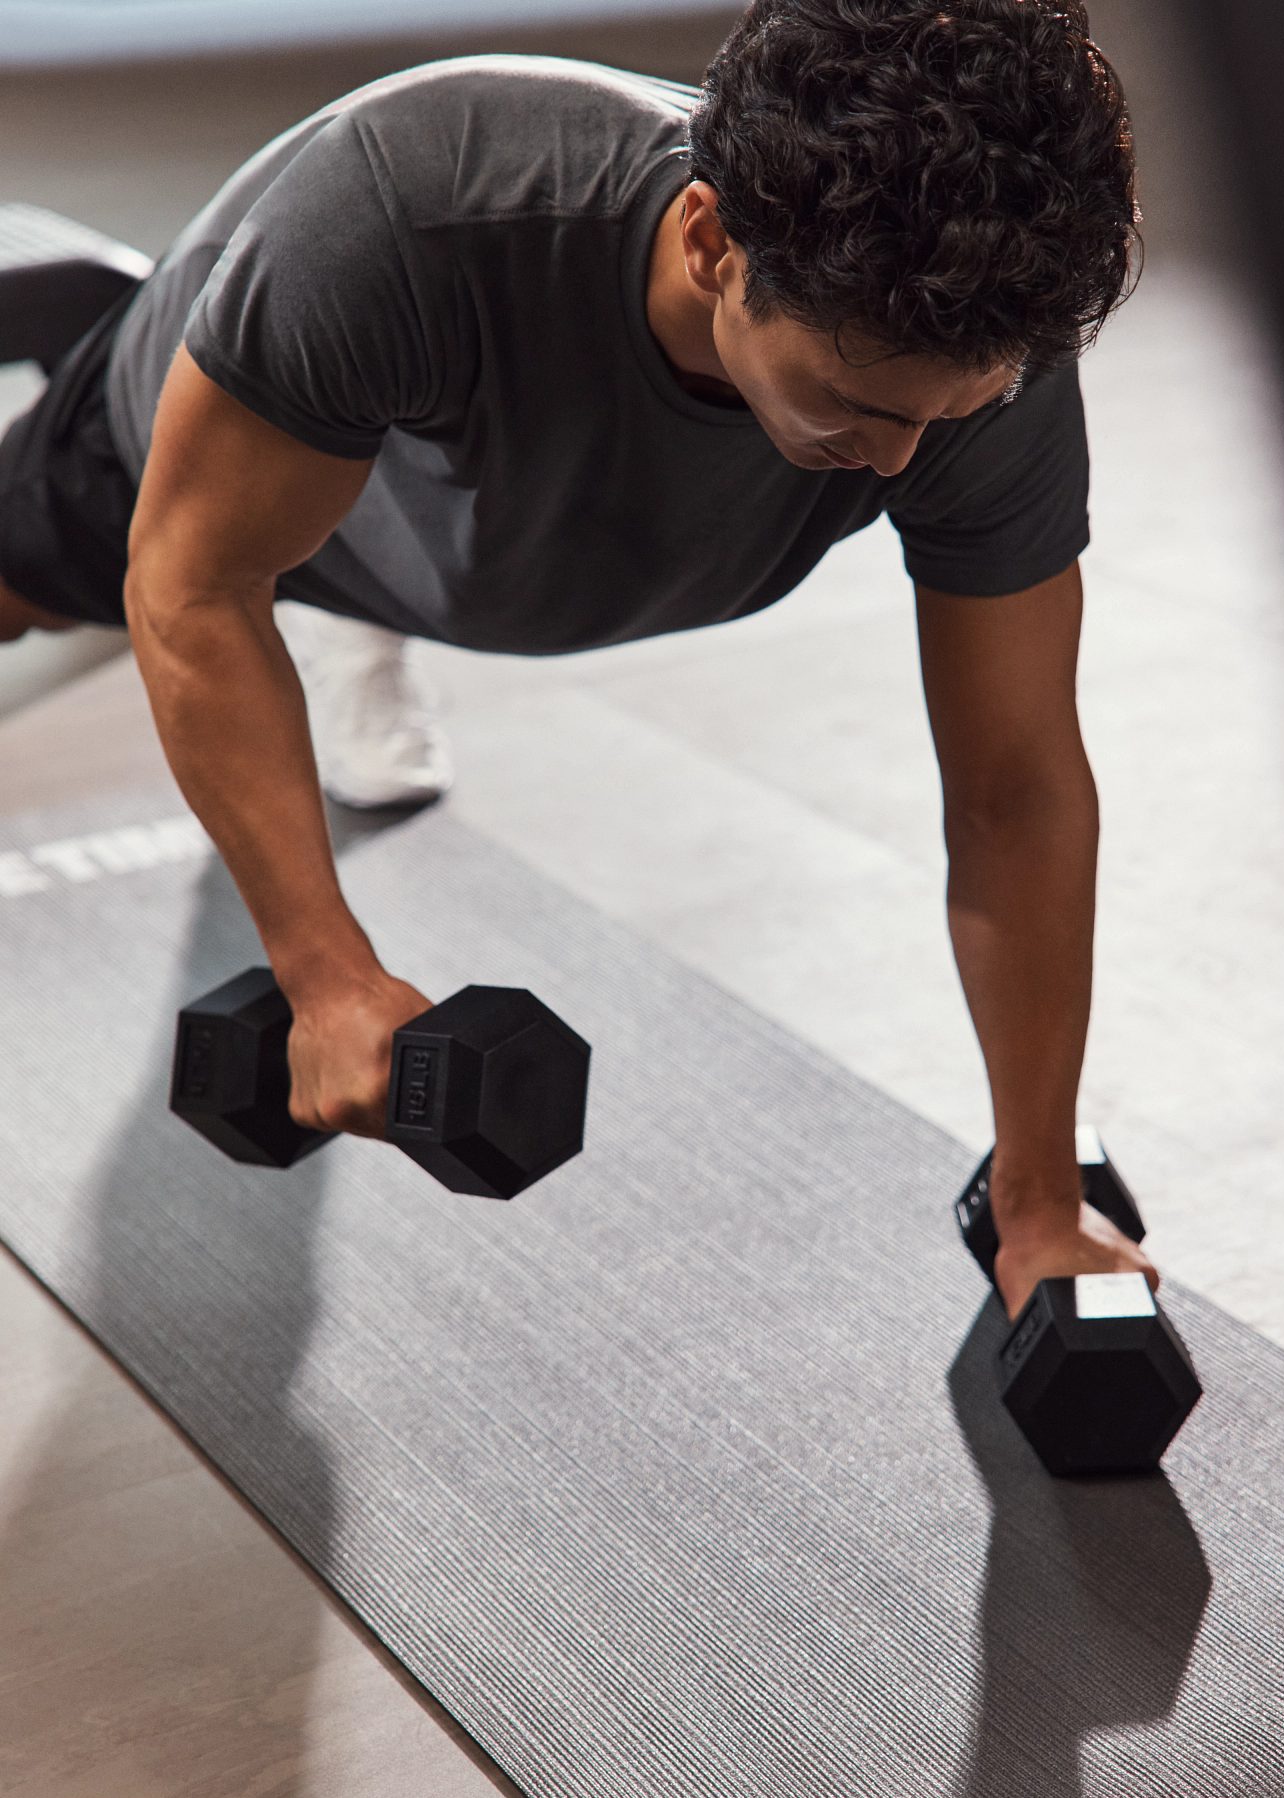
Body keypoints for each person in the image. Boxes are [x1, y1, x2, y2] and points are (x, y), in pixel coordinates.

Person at [0, 0, 1156, 1321]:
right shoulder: (408, 209)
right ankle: (313, 525)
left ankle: (349, 567)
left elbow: (1016, 787)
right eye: (859, 406)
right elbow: (194, 593)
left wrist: (1042, 1205)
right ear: (714, 242)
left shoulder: (979, 372)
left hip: (486, 512)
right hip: (217, 455)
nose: (901, 462)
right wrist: (323, 975)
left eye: (944, 415)